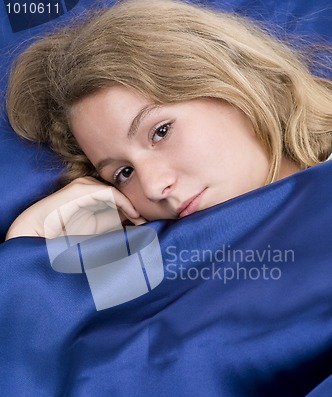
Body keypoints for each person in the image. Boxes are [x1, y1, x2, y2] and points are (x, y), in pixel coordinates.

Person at [5, 0, 332, 240]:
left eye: (160, 132)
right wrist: (27, 237)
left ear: (234, 86)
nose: (154, 187)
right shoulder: (162, 263)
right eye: (123, 173)